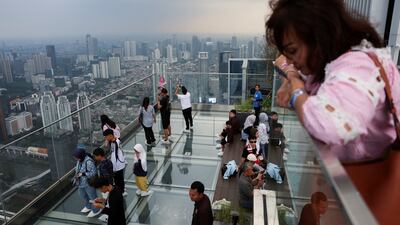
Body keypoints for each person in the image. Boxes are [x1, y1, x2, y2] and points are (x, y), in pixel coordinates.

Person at [267, 0, 400, 162]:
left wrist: (296, 90)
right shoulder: (330, 63)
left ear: (319, 35)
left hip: (368, 177)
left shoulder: (357, 68)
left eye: (293, 51)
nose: (291, 60)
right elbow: (283, 62)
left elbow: (330, 127)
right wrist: (292, 77)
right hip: (351, 167)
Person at [73, 148, 100, 218]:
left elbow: (93, 173)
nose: (76, 159)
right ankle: (88, 206)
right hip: (80, 183)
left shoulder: (88, 161)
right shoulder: (80, 160)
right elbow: (78, 168)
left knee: (93, 197)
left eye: (77, 157)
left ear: (81, 156)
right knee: (83, 195)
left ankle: (96, 209)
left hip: (88, 183)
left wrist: (83, 174)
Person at [103, 129, 127, 196]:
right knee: (117, 179)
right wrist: (107, 140)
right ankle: (119, 190)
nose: (105, 138)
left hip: (118, 164)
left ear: (110, 135)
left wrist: (115, 168)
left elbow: (116, 156)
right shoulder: (112, 141)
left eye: (106, 136)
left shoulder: (116, 142)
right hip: (115, 164)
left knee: (119, 179)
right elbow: (105, 146)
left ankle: (122, 191)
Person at [92, 147, 114, 222]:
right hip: (110, 184)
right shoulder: (109, 161)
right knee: (108, 201)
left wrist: (103, 186)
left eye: (95, 156)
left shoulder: (102, 165)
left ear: (99, 156)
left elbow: (106, 176)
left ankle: (107, 216)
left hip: (106, 186)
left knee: (107, 202)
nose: (95, 157)